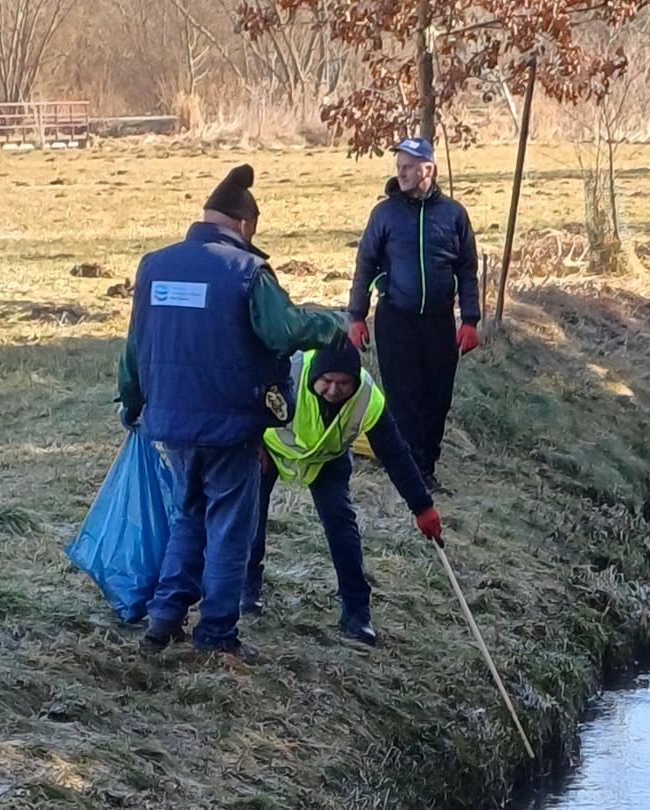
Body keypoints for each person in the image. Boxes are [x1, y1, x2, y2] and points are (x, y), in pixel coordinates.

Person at [119, 164, 348, 658]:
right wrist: (334, 325)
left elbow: (134, 347)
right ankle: (217, 633)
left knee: (188, 514)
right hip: (229, 424)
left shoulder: (154, 266)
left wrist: (133, 401)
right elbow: (284, 330)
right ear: (244, 225)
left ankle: (164, 617)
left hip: (172, 423)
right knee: (229, 526)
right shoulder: (246, 273)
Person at [248, 346, 445, 645]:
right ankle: (246, 589)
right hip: (271, 448)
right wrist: (250, 443)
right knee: (251, 515)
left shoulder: (368, 397)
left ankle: (356, 612)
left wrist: (422, 507)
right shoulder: (288, 371)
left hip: (327, 459)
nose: (334, 390)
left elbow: (395, 454)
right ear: (316, 375)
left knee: (341, 524)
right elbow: (246, 402)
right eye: (327, 380)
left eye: (343, 383)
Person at [346, 137, 482, 493]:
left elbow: (468, 269)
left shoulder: (454, 215)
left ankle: (426, 464)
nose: (401, 174)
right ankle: (413, 475)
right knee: (404, 397)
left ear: (428, 170)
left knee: (437, 397)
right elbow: (365, 264)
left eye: (408, 167)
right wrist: (357, 315)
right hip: (396, 318)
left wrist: (470, 319)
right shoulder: (385, 214)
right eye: (399, 167)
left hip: (438, 321)